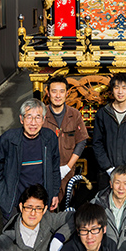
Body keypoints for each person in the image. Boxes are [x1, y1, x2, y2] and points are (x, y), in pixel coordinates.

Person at [0, 98, 61, 221]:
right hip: (14, 203)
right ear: (21, 119)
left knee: (41, 237)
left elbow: (54, 168)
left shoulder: (50, 138)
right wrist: (0, 193)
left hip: (40, 203)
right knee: (13, 237)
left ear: (43, 120)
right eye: (29, 117)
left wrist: (54, 193)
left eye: (38, 117)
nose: (33, 123)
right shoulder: (9, 139)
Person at [92, 72, 126, 193]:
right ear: (112, 90)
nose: (120, 92)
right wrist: (108, 167)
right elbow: (97, 143)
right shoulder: (103, 113)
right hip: (107, 172)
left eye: (124, 88)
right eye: (116, 88)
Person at [42, 75, 88, 206]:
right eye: (54, 91)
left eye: (61, 91)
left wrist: (67, 167)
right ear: (47, 92)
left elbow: (81, 141)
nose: (58, 95)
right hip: (45, 170)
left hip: (67, 170)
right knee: (46, 205)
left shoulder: (75, 114)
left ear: (67, 93)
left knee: (66, 206)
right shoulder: (41, 114)